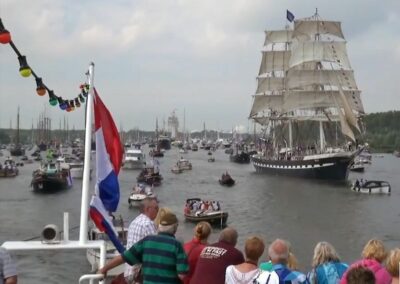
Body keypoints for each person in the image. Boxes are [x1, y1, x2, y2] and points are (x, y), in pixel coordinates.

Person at [100, 211, 189, 283]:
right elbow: (182, 274)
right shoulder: (176, 245)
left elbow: (125, 257)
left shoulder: (147, 240)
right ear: (175, 227)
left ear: (160, 226)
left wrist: (105, 269)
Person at [124, 197, 159, 283]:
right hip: (139, 273)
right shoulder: (148, 224)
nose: (158, 211)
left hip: (128, 271)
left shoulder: (134, 222)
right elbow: (155, 250)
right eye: (156, 208)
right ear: (147, 209)